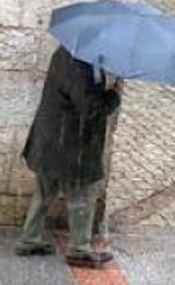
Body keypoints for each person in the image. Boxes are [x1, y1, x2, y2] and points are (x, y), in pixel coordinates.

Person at [16, 46, 122, 268]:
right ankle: (79, 249)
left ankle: (29, 238)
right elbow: (90, 107)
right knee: (82, 196)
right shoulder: (80, 65)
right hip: (71, 144)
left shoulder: (64, 52)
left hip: (51, 138)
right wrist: (113, 95)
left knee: (45, 191)